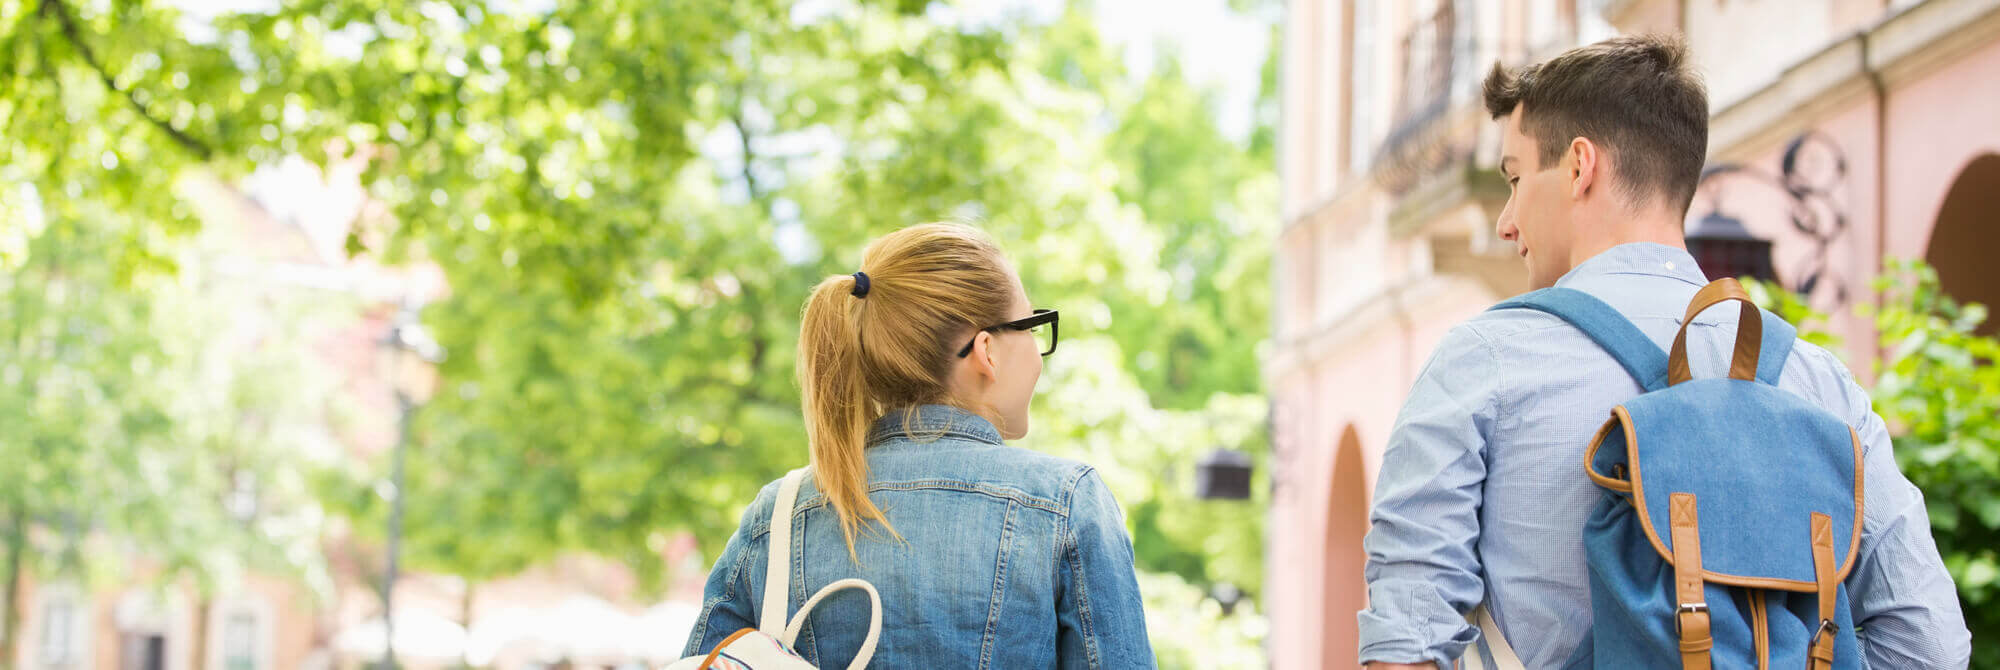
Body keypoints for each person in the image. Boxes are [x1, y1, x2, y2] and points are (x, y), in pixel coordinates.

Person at [1358, 35, 1971, 669]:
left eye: (1515, 178)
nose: (1505, 220)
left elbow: (1407, 638)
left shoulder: (1483, 361)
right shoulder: (1816, 381)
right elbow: (1929, 642)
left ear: (1579, 166)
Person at [681, 222, 1155, 668]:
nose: (1036, 350)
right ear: (986, 350)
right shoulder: (1066, 503)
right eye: (1031, 326)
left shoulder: (778, 515)